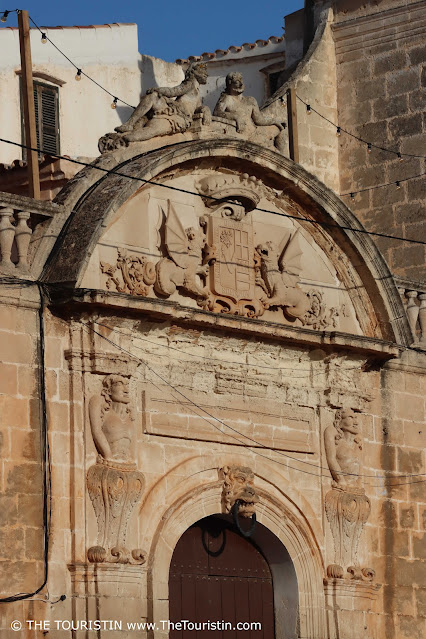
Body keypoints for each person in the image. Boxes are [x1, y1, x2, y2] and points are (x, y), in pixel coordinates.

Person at [115, 63, 210, 143]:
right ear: (193, 71)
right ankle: (129, 124)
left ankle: (128, 132)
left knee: (152, 129)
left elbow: (197, 108)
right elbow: (173, 91)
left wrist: (205, 109)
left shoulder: (197, 92)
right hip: (174, 111)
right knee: (153, 96)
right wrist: (159, 90)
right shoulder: (190, 84)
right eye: (202, 70)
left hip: (181, 118)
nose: (206, 73)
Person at [213, 72, 286, 151]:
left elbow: (259, 120)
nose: (241, 84)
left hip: (256, 131)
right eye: (237, 81)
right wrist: (235, 117)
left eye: (241, 80)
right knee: (272, 151)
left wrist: (274, 121)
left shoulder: (250, 100)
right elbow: (217, 113)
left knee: (281, 130)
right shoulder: (227, 98)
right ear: (230, 83)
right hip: (244, 135)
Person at [324, 408, 363, 489]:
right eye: (350, 417)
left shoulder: (357, 441)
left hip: (355, 487)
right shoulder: (331, 432)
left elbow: (360, 464)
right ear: (340, 421)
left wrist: (360, 483)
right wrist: (341, 481)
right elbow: (331, 458)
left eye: (355, 418)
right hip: (341, 486)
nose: (355, 422)